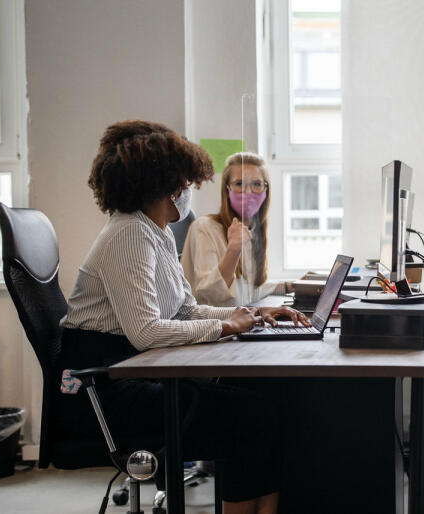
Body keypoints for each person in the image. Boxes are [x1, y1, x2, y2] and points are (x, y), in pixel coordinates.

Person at [57, 120, 309, 514]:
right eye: (184, 181)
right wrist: (226, 325)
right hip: (105, 387)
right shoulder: (128, 234)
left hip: (135, 371)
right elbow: (145, 332)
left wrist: (253, 314)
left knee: (266, 404)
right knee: (251, 417)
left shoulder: (153, 231)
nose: (189, 189)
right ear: (162, 184)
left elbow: (186, 308)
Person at [182, 152, 285, 306]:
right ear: (227, 190)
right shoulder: (204, 228)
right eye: (239, 184)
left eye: (256, 184)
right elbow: (209, 296)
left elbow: (248, 292)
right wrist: (233, 249)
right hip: (213, 326)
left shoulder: (254, 230)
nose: (248, 192)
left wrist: (291, 286)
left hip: (239, 322)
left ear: (266, 190)